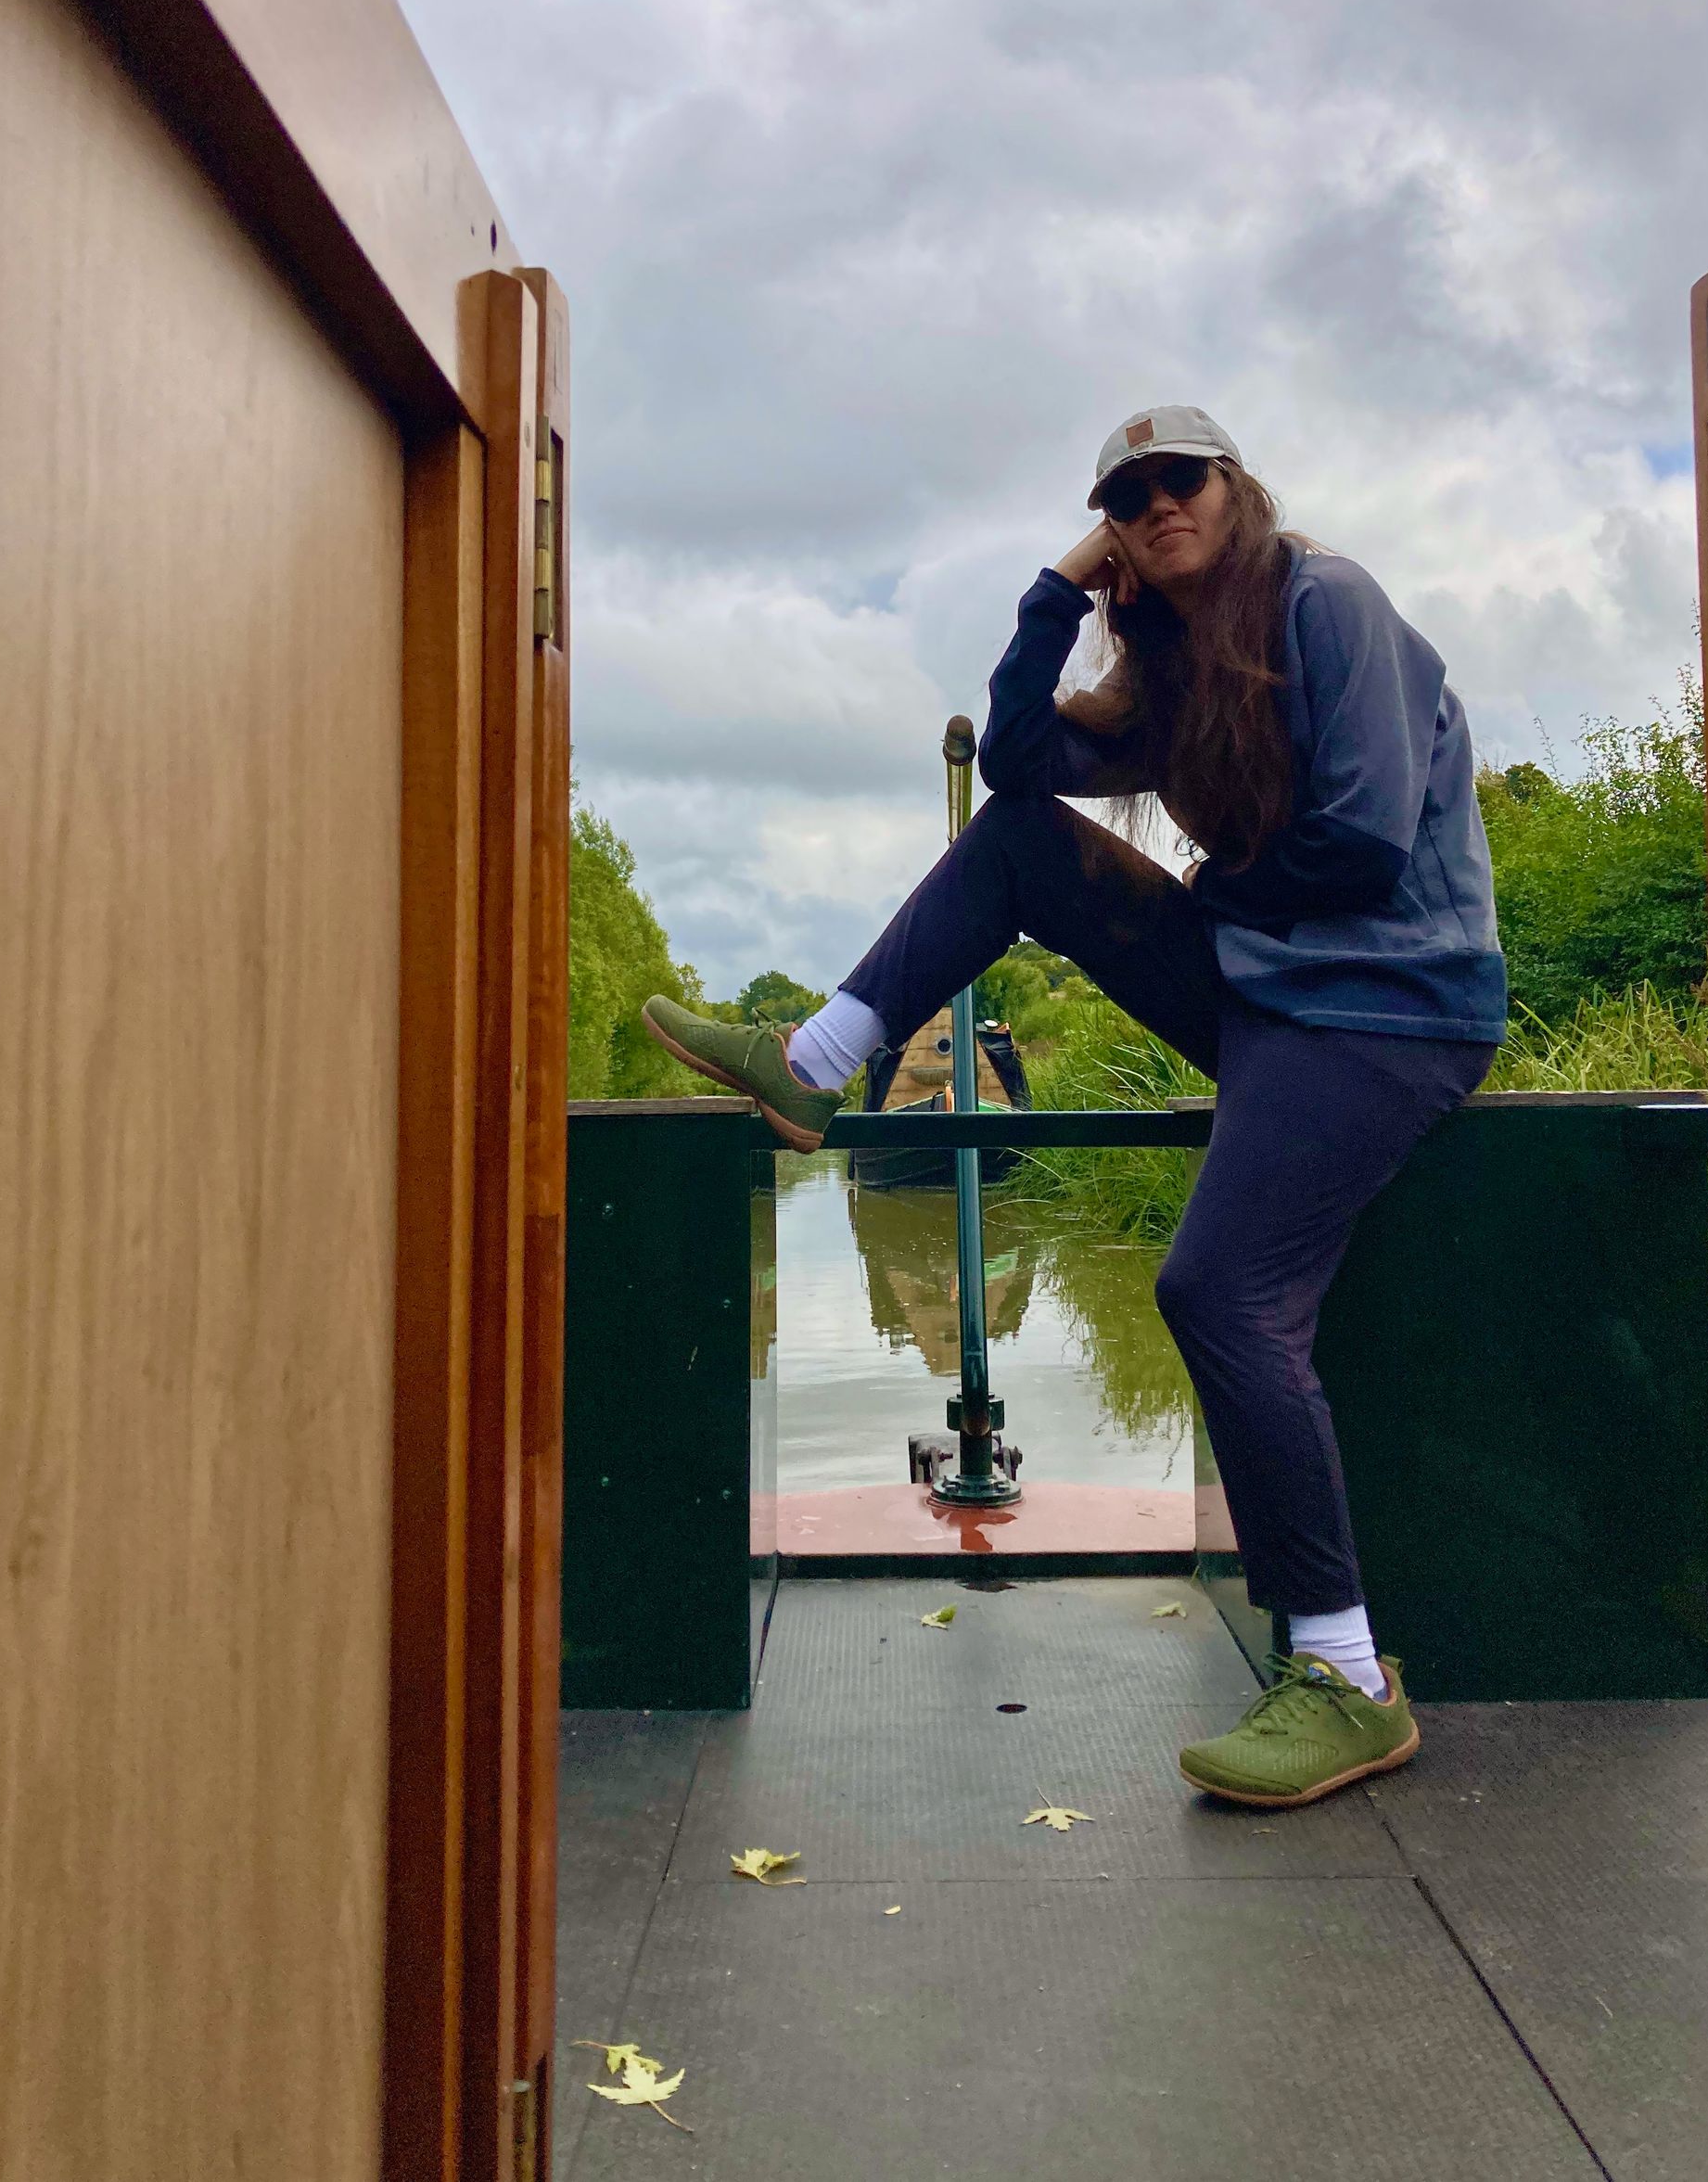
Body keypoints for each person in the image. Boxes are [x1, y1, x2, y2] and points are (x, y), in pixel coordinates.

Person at [643, 403, 1506, 1808]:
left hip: (1386, 1008)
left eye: (1182, 480)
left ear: (1235, 489)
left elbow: (1360, 839)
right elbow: (1023, 766)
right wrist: (1053, 597)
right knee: (1021, 848)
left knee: (1221, 1292)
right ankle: (813, 1063)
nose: (1158, 503)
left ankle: (1345, 1674)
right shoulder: (1169, 666)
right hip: (1272, 989)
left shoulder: (1328, 603)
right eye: (1127, 495)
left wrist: (1215, 902)